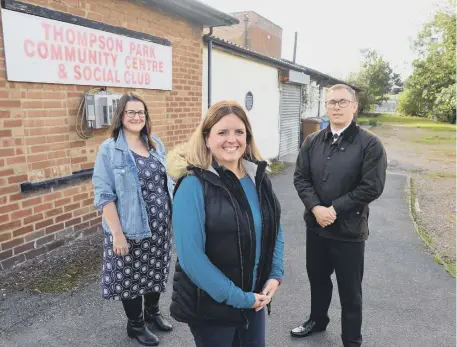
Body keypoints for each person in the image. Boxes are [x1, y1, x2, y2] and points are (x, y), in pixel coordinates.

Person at [167, 100, 284, 347]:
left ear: (248, 138)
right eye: (222, 132)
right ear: (207, 138)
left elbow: (274, 229)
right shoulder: (193, 185)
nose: (232, 139)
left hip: (254, 300)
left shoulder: (258, 178)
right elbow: (191, 258)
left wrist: (274, 274)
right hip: (212, 306)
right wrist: (239, 298)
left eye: (239, 132)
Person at [292, 84, 387, 347]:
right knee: (318, 280)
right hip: (317, 227)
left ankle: (351, 340)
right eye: (331, 102)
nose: (336, 106)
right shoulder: (312, 141)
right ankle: (317, 320)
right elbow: (301, 178)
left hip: (348, 231)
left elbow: (372, 186)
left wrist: (334, 209)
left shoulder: (370, 144)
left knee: (350, 292)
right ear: (326, 106)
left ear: (354, 107)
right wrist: (315, 208)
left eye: (343, 102)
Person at [92, 93, 175, 346]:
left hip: (160, 228)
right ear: (121, 116)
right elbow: (104, 194)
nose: (137, 117)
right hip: (129, 228)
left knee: (155, 272)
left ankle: (152, 314)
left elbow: (167, 181)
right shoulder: (110, 149)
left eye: (141, 112)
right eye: (131, 112)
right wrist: (117, 234)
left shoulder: (155, 143)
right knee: (131, 278)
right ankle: (135, 326)